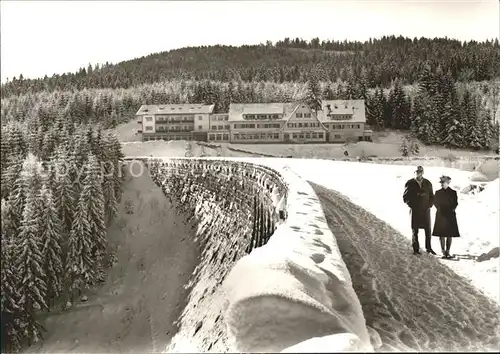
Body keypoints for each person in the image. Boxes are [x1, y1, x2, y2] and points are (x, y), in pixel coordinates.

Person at [403, 166, 436, 255]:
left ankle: (429, 248)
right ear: (414, 172)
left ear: (423, 172)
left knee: (428, 230)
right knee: (415, 230)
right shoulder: (410, 183)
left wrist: (429, 205)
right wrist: (412, 205)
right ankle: (416, 249)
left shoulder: (428, 183)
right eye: (417, 172)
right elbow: (405, 197)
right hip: (415, 210)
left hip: (426, 210)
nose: (419, 173)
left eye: (420, 172)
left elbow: (432, 196)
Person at [432, 175, 460, 259]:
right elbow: (435, 202)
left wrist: (452, 209)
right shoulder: (438, 192)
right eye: (441, 182)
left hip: (450, 215)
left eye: (443, 182)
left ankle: (448, 251)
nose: (441, 184)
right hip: (441, 214)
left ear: (448, 183)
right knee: (441, 234)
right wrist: (439, 209)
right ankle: (443, 251)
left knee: (449, 234)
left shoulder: (453, 192)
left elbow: (455, 203)